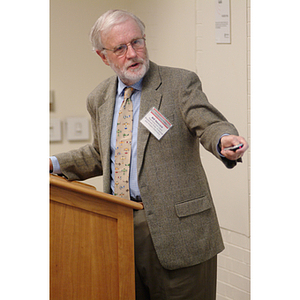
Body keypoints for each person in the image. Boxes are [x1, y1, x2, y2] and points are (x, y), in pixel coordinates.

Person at [50, 9, 249, 300]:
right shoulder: (99, 98)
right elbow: (99, 154)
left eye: (137, 42)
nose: (132, 53)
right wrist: (52, 163)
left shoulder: (179, 83)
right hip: (120, 228)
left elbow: (208, 123)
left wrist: (223, 140)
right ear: (103, 56)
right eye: (120, 48)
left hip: (180, 233)